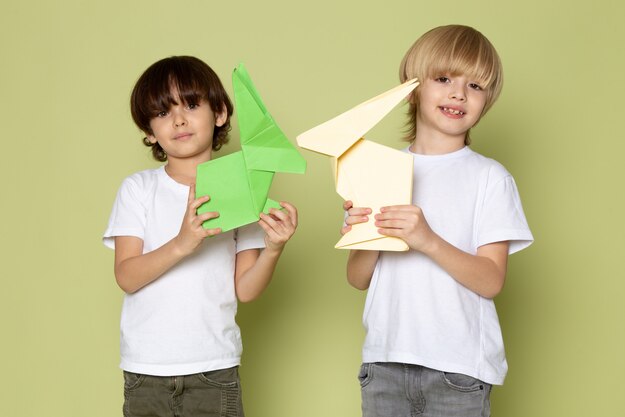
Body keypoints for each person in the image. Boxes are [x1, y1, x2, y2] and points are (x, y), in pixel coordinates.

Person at [342, 25, 533, 417]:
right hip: (385, 362)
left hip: (458, 369)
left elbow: (491, 280)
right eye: (443, 78)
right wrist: (365, 234)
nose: (458, 93)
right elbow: (358, 278)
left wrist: (426, 239)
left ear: (487, 100)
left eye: (476, 86)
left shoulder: (490, 178)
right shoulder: (378, 170)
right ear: (413, 88)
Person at [103, 56, 298, 417]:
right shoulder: (138, 189)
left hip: (214, 367)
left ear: (220, 113)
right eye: (162, 112)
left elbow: (246, 289)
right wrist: (182, 243)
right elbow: (126, 276)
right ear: (149, 132)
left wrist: (273, 248)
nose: (178, 119)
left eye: (191, 105)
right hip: (146, 370)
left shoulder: (243, 192)